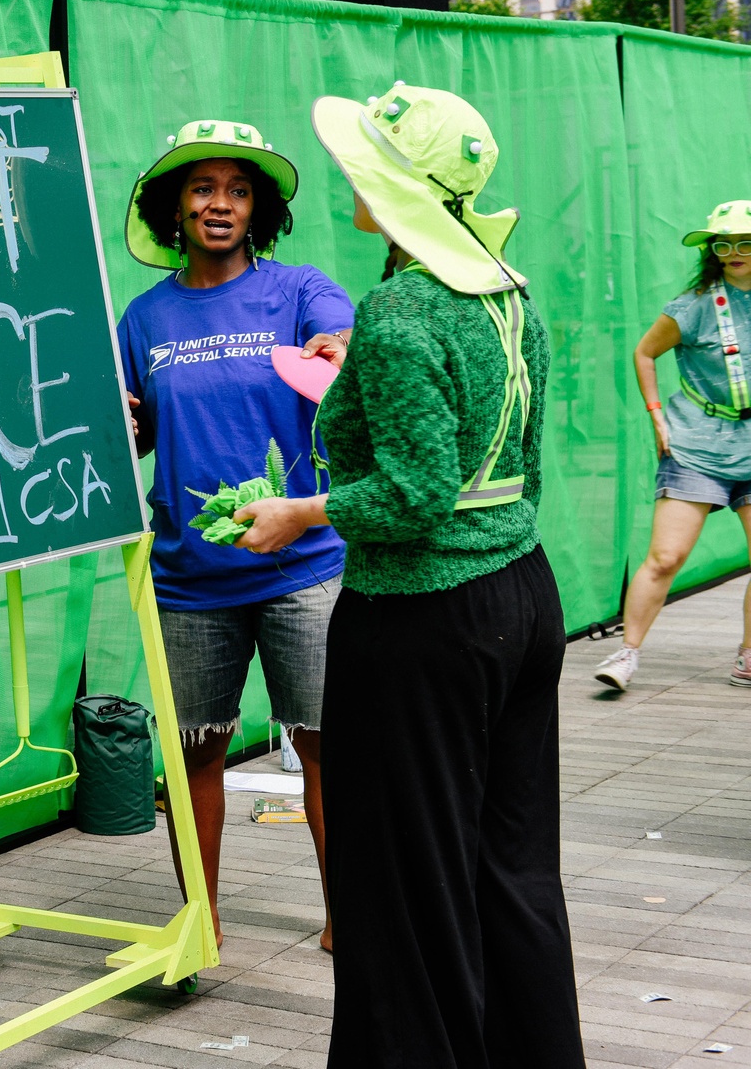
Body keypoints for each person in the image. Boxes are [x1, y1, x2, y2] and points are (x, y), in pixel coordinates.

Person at [238, 83, 583, 1068]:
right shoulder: (502, 289)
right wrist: (360, 371)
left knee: (402, 878)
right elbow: (506, 448)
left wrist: (295, 511)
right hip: (521, 590)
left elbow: (412, 494)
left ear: (388, 182)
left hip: (422, 615)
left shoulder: (396, 309)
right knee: (511, 867)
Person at [114, 119, 354, 951]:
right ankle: (199, 923)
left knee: (330, 749)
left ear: (260, 210)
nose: (221, 203)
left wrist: (340, 347)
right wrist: (123, 422)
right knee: (194, 755)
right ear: (172, 207)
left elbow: (343, 340)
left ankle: (345, 918)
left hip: (303, 566)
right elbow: (135, 436)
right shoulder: (143, 318)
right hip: (190, 576)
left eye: (239, 189)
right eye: (203, 187)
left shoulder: (299, 291)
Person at [593, 199, 751, 692]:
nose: (732, 252)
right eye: (722, 244)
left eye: (743, 242)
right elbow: (644, 352)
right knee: (664, 557)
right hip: (696, 446)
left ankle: (748, 655)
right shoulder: (695, 305)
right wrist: (657, 417)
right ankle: (625, 655)